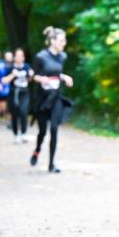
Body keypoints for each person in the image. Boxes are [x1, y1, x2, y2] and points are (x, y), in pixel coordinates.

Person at [30, 27, 73, 173]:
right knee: (42, 132)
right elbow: (33, 75)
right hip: (43, 98)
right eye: (61, 40)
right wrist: (40, 79)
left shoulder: (63, 56)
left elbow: (57, 73)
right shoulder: (41, 56)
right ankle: (37, 150)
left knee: (54, 129)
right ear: (52, 41)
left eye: (65, 40)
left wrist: (64, 77)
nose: (64, 43)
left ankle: (51, 164)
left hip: (56, 97)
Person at [2, 47, 33, 143]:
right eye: (17, 55)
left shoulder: (27, 67)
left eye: (21, 55)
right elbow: (3, 81)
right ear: (14, 57)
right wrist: (13, 75)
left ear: (23, 57)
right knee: (14, 114)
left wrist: (31, 75)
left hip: (24, 92)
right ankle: (16, 134)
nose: (19, 57)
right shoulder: (10, 67)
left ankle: (24, 133)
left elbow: (30, 80)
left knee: (23, 112)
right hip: (13, 93)